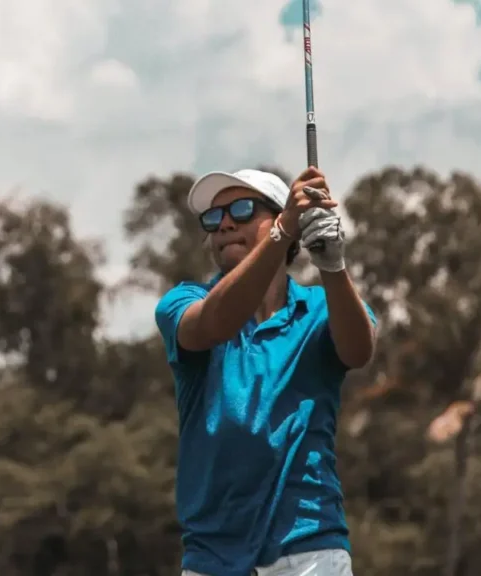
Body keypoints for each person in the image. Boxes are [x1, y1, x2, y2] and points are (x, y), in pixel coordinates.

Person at [154, 166, 377, 576]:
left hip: (310, 548)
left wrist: (333, 266)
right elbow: (214, 324)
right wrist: (282, 232)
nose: (223, 224)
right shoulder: (184, 301)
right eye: (212, 218)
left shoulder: (318, 308)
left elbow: (358, 350)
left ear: (278, 217)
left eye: (240, 210)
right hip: (212, 556)